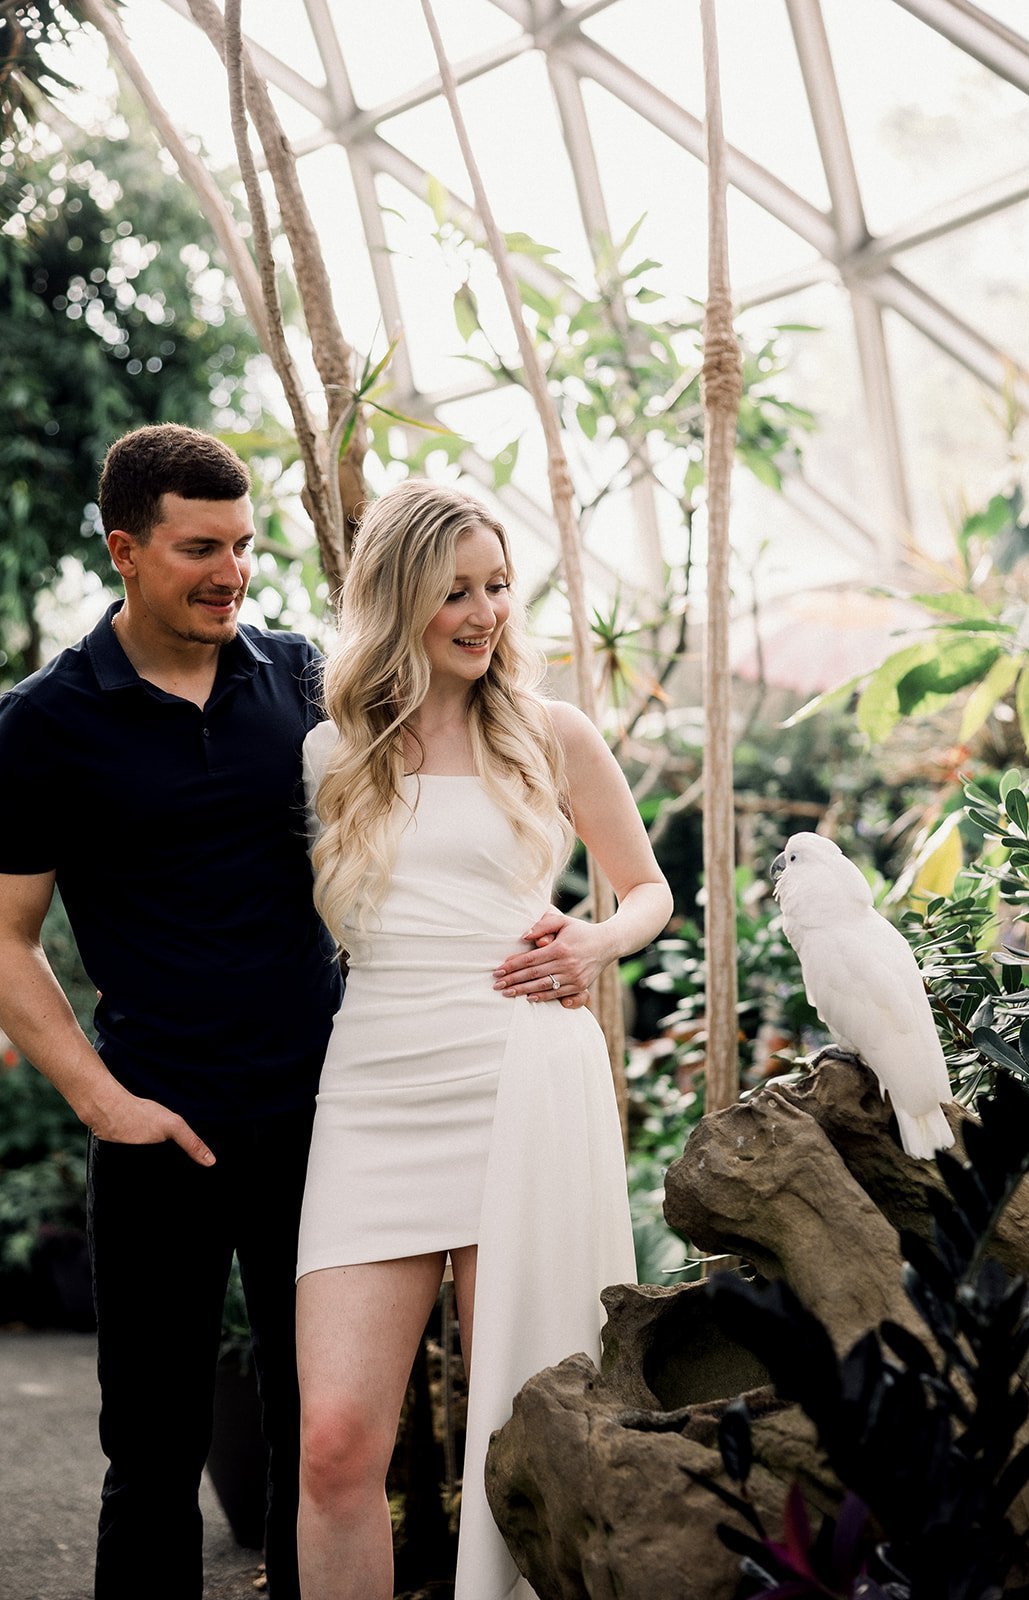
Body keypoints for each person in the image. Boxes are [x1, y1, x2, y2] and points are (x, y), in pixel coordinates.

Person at [295, 478, 673, 1600]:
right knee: (334, 1444)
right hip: (372, 1085)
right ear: (395, 600)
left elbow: (647, 887)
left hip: (524, 1073)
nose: (483, 612)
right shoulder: (328, 753)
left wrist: (594, 943)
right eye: (454, 591)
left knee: (530, 1425)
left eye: (497, 586)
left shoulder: (550, 735)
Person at [0, 424, 344, 1600]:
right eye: (202, 547)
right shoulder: (44, 721)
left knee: (325, 1442)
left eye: (243, 545)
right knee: (148, 1457)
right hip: (159, 1127)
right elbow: (3, 937)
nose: (232, 572)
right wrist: (105, 1103)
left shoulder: (299, 674)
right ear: (125, 550)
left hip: (321, 1116)